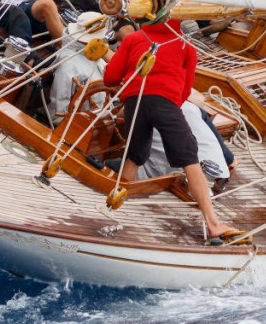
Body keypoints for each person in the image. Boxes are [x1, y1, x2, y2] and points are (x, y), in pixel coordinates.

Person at [102, 20, 242, 243]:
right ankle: (214, 225)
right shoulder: (186, 46)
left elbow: (110, 78)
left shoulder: (133, 39)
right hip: (166, 103)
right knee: (189, 159)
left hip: (134, 103)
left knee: (135, 156)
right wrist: (168, 107)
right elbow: (185, 89)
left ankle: (112, 207)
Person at [47, 11, 113, 126]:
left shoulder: (98, 60)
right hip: (81, 129)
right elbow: (58, 112)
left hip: (100, 123)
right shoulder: (68, 64)